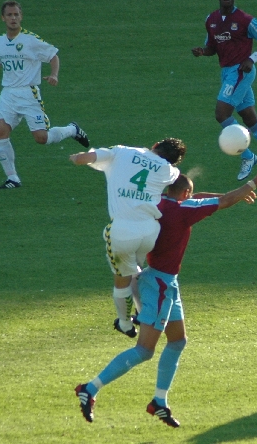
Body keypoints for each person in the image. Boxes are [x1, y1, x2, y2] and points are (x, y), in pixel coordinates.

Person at [75, 170, 257, 428]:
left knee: (178, 340)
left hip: (162, 281)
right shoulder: (182, 212)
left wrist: (237, 194)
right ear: (185, 195)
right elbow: (222, 201)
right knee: (144, 350)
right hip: (158, 284)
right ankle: (89, 388)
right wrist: (252, 183)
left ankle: (159, 402)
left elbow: (204, 198)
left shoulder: (160, 202)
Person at [69, 138, 186, 338]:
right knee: (133, 271)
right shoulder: (169, 170)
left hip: (122, 232)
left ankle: (125, 323)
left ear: (156, 144)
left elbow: (83, 159)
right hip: (149, 232)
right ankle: (143, 313)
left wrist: (75, 157)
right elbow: (176, 179)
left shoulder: (121, 152)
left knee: (121, 279)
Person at [0, 0, 90, 189]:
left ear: (21, 16)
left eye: (16, 14)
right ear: (3, 18)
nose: (13, 18)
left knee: (41, 138)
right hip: (7, 94)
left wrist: (54, 74)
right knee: (1, 132)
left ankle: (72, 130)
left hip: (28, 94)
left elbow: (53, 55)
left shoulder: (31, 40)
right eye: (9, 15)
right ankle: (12, 178)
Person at [192, 0, 257, 183]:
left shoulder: (245, 20)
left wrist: (252, 58)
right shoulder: (211, 20)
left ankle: (247, 156)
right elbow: (212, 46)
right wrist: (203, 52)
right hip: (227, 72)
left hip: (241, 71)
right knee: (249, 117)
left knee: (222, 114)